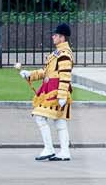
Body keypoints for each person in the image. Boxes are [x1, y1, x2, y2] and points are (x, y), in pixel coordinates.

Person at [21, 24, 75, 161]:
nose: (53, 36)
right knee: (59, 122)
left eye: (56, 35)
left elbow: (65, 76)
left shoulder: (64, 54)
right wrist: (30, 74)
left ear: (62, 37)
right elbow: (46, 72)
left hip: (55, 91)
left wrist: (62, 95)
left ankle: (49, 149)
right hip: (52, 90)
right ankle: (64, 152)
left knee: (40, 117)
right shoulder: (58, 53)